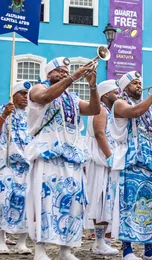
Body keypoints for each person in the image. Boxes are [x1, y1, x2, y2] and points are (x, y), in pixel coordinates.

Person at [25, 57, 101, 260]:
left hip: (72, 156)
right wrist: (75, 76)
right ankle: (40, 249)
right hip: (48, 153)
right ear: (49, 73)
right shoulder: (37, 89)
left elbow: (94, 110)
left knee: (74, 202)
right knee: (45, 200)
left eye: (66, 70)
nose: (64, 73)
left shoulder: (73, 98)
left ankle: (66, 249)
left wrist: (93, 87)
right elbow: (44, 98)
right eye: (59, 70)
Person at [108, 71, 152, 260]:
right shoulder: (120, 103)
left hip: (150, 161)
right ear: (124, 87)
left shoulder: (149, 109)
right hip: (131, 159)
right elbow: (135, 112)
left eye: (139, 83)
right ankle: (127, 251)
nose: (138, 86)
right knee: (129, 204)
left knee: (151, 205)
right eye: (134, 83)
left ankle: (149, 250)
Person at [85, 80, 119, 255]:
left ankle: (102, 241)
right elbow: (99, 133)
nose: (118, 95)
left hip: (105, 162)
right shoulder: (101, 109)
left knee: (106, 202)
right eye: (115, 92)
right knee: (100, 200)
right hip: (101, 162)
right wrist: (110, 157)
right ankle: (99, 242)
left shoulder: (108, 111)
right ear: (106, 95)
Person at [0, 81, 32, 254]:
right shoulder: (4, 110)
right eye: (22, 93)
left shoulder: (32, 115)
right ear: (13, 95)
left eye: (28, 94)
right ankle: (1, 240)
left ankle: (22, 242)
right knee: (4, 201)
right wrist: (5, 114)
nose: (26, 97)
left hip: (27, 165)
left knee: (26, 202)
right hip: (8, 163)